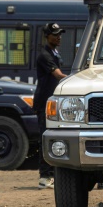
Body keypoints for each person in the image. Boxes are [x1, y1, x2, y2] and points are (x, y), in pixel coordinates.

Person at [33, 22, 68, 189]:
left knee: (55, 138)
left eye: (60, 34)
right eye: (55, 34)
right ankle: (44, 177)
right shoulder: (44, 55)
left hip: (52, 102)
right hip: (44, 103)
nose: (58, 37)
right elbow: (58, 75)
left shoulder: (54, 52)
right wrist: (76, 79)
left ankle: (52, 174)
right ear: (47, 36)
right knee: (45, 139)